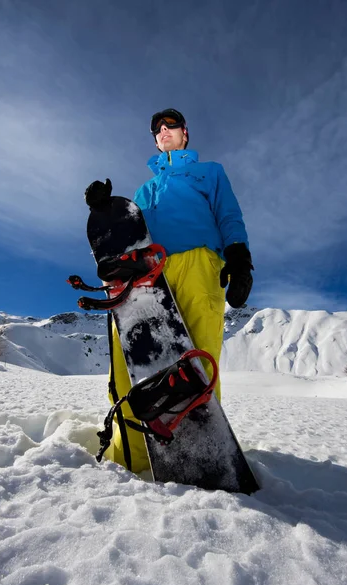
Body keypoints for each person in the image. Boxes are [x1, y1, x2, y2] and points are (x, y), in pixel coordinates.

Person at [87, 108, 253, 474]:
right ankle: (131, 455)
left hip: (198, 262)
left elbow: (228, 214)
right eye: (157, 129)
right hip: (151, 274)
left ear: (185, 134)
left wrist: (239, 256)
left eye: (171, 125)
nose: (163, 131)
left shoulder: (209, 172)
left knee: (197, 357)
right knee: (138, 358)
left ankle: (207, 454)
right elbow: (130, 232)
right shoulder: (146, 190)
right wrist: (107, 210)